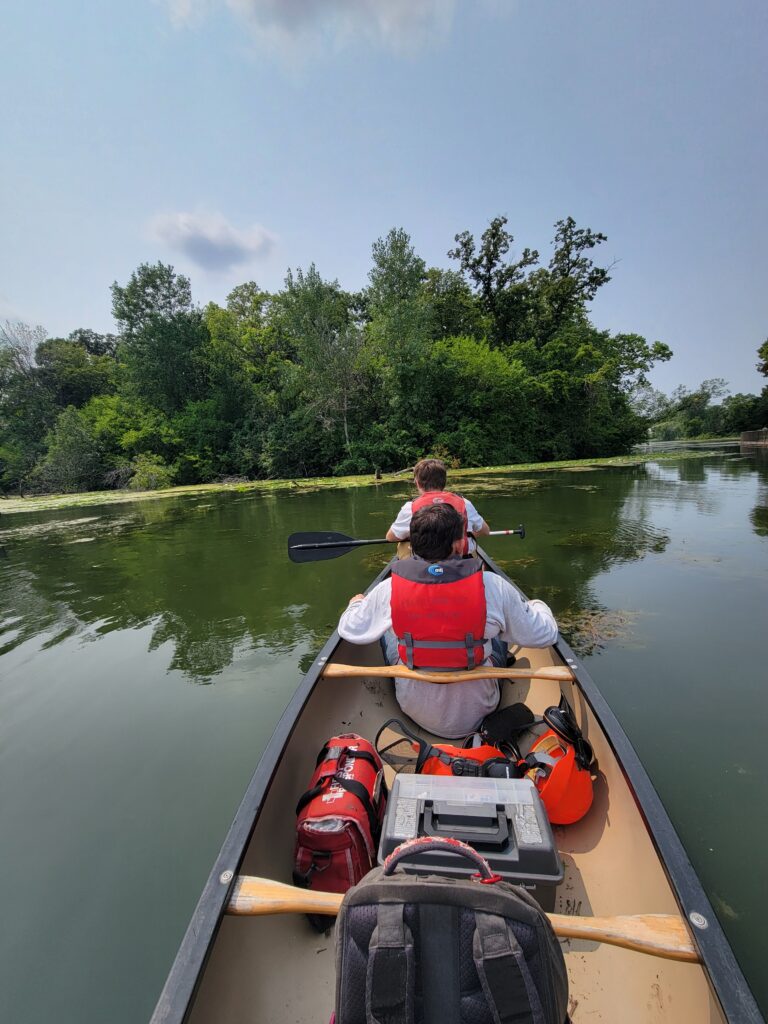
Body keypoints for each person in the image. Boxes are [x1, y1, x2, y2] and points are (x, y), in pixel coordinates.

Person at [339, 503, 558, 738]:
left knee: (387, 630)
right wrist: (537, 606)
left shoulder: (389, 589)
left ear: (412, 544)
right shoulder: (492, 586)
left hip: (413, 708)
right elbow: (546, 634)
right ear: (458, 543)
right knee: (498, 630)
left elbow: (348, 628)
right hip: (481, 709)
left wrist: (357, 603)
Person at [385, 458, 489, 556]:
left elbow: (391, 537)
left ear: (417, 483)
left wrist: (412, 536)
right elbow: (485, 531)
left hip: (423, 561)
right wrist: (464, 536)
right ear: (444, 481)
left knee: (402, 544)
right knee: (472, 545)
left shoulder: (410, 507)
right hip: (461, 557)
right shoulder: (464, 503)